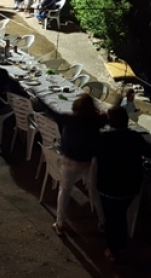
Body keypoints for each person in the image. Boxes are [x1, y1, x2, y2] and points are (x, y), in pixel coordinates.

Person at [94, 106, 151, 262]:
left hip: (107, 187)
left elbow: (93, 153)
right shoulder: (134, 137)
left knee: (112, 218)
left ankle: (114, 250)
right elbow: (150, 152)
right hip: (130, 188)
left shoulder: (103, 138)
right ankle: (121, 245)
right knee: (120, 215)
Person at [53, 94, 106, 236]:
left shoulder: (70, 120)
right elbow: (105, 118)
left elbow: (55, 114)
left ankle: (60, 223)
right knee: (94, 191)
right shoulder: (95, 122)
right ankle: (102, 221)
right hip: (88, 161)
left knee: (64, 190)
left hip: (70, 160)